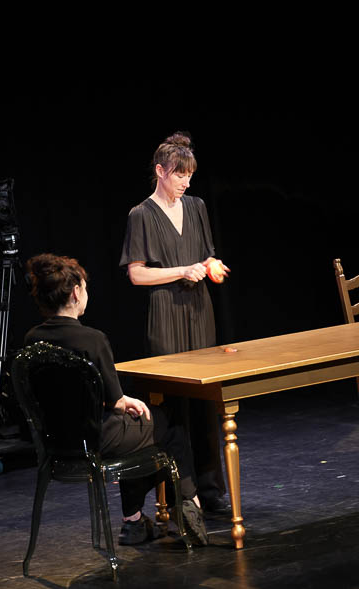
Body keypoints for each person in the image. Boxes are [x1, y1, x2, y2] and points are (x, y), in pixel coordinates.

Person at [22, 253, 208, 546]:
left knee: (139, 430)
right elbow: (114, 400)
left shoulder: (32, 340)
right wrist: (125, 401)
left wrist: (121, 402)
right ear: (75, 292)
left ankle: (135, 523)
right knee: (166, 424)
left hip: (55, 442)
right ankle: (187, 504)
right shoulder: (92, 339)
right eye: (85, 288)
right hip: (96, 439)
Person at [119, 132, 232, 515]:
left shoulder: (196, 206)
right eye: (179, 174)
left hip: (199, 311)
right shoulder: (141, 214)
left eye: (189, 175)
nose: (186, 182)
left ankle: (210, 488)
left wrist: (212, 267)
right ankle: (183, 491)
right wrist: (182, 270)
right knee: (173, 405)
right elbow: (136, 274)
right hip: (166, 313)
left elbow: (206, 256)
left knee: (205, 401)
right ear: (160, 171)